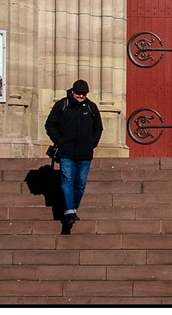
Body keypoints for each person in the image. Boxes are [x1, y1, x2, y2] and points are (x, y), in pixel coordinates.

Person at [46, 78, 103, 232]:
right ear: (72, 91)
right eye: (78, 93)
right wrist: (60, 141)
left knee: (80, 183)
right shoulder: (62, 105)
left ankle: (72, 208)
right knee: (67, 180)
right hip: (66, 152)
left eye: (84, 94)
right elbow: (49, 124)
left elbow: (98, 127)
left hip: (85, 153)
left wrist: (92, 143)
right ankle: (70, 212)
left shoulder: (91, 107)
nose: (81, 96)